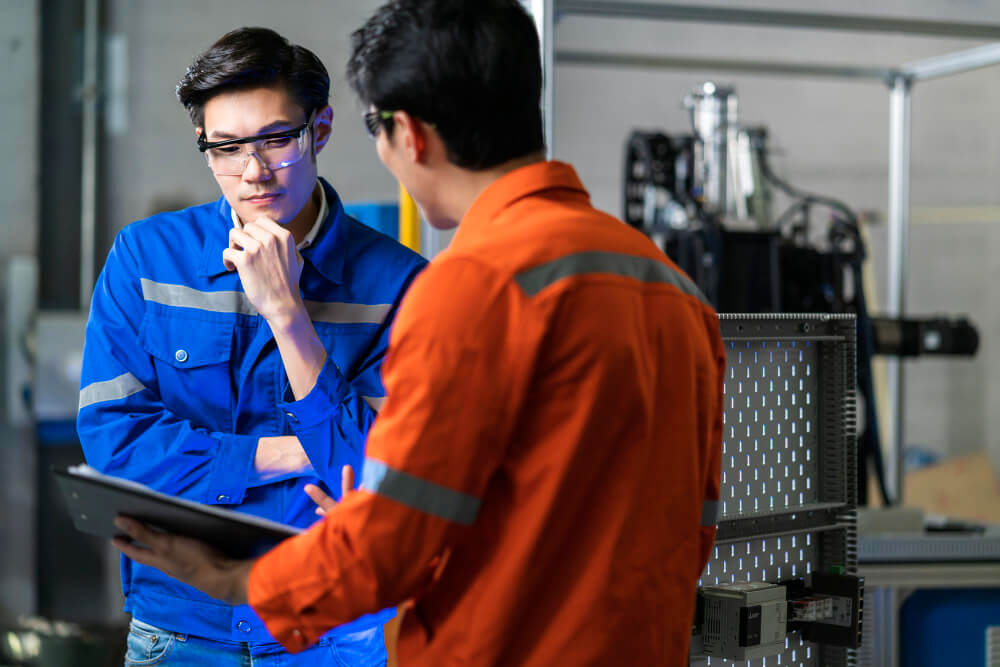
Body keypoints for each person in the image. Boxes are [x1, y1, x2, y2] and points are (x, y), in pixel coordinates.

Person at [111, 2, 726, 665]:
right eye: (226, 147)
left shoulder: (470, 289)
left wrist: (237, 581)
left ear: (408, 133)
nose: (253, 168)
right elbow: (696, 525)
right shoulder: (676, 291)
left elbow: (392, 540)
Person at [77, 26, 426, 666]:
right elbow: (114, 446)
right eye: (227, 147)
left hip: (333, 634)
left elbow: (386, 478)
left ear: (318, 130)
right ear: (204, 147)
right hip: (178, 630)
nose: (252, 171)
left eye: (275, 140)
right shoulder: (146, 260)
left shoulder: (400, 285)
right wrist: (294, 453)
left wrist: (289, 314)